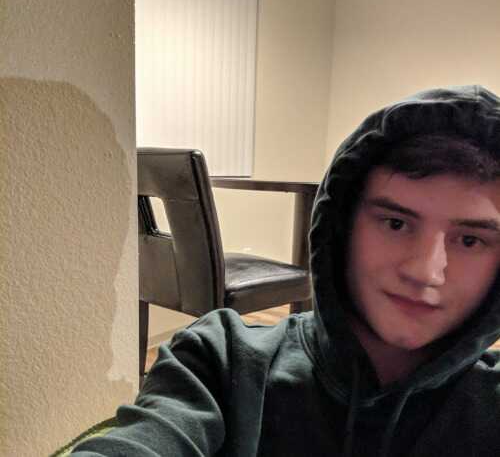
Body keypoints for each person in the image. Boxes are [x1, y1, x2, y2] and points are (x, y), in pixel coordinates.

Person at [72, 85, 500, 457]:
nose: (425, 272)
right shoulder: (220, 363)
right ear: (341, 228)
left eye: (469, 240)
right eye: (395, 223)